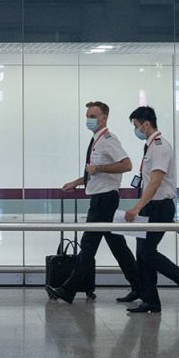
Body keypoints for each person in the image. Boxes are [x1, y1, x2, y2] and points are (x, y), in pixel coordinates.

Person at [46, 100, 142, 304]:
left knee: (88, 245)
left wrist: (98, 170)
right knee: (118, 247)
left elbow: (126, 165)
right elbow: (95, 172)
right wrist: (77, 182)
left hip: (104, 200)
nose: (89, 120)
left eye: (93, 116)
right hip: (100, 197)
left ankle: (68, 290)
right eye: (87, 116)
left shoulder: (108, 139)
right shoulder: (97, 140)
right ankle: (139, 286)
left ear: (104, 117)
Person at [122, 105, 179, 314]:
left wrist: (137, 207)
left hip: (160, 207)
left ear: (146, 124)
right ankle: (151, 301)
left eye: (136, 126)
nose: (136, 130)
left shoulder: (160, 147)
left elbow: (155, 182)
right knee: (142, 254)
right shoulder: (150, 146)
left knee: (147, 252)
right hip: (150, 207)